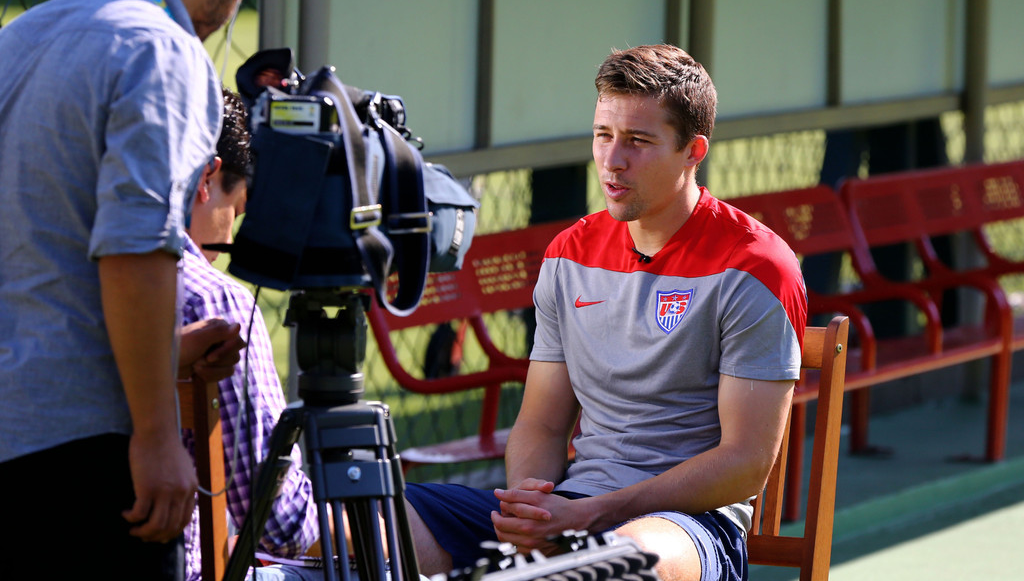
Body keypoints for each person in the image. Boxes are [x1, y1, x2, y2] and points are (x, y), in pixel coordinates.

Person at [402, 44, 807, 581]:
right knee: (360, 521)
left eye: (638, 141)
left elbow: (745, 465)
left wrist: (596, 513)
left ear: (693, 150)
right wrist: (531, 507)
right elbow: (543, 423)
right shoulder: (568, 254)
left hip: (687, 527)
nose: (613, 160)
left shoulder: (757, 266)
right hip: (571, 505)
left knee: (612, 567)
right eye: (603, 135)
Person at [0, 0, 269, 579]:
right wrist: (157, 433)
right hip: (77, 461)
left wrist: (168, 350)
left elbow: (37, 259)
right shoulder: (163, 49)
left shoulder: (21, 36)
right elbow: (134, 246)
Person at [179, 89, 320, 580]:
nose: (232, 230)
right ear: (206, 178)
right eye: (235, 208)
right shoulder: (212, 301)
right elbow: (277, 521)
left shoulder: (59, 280)